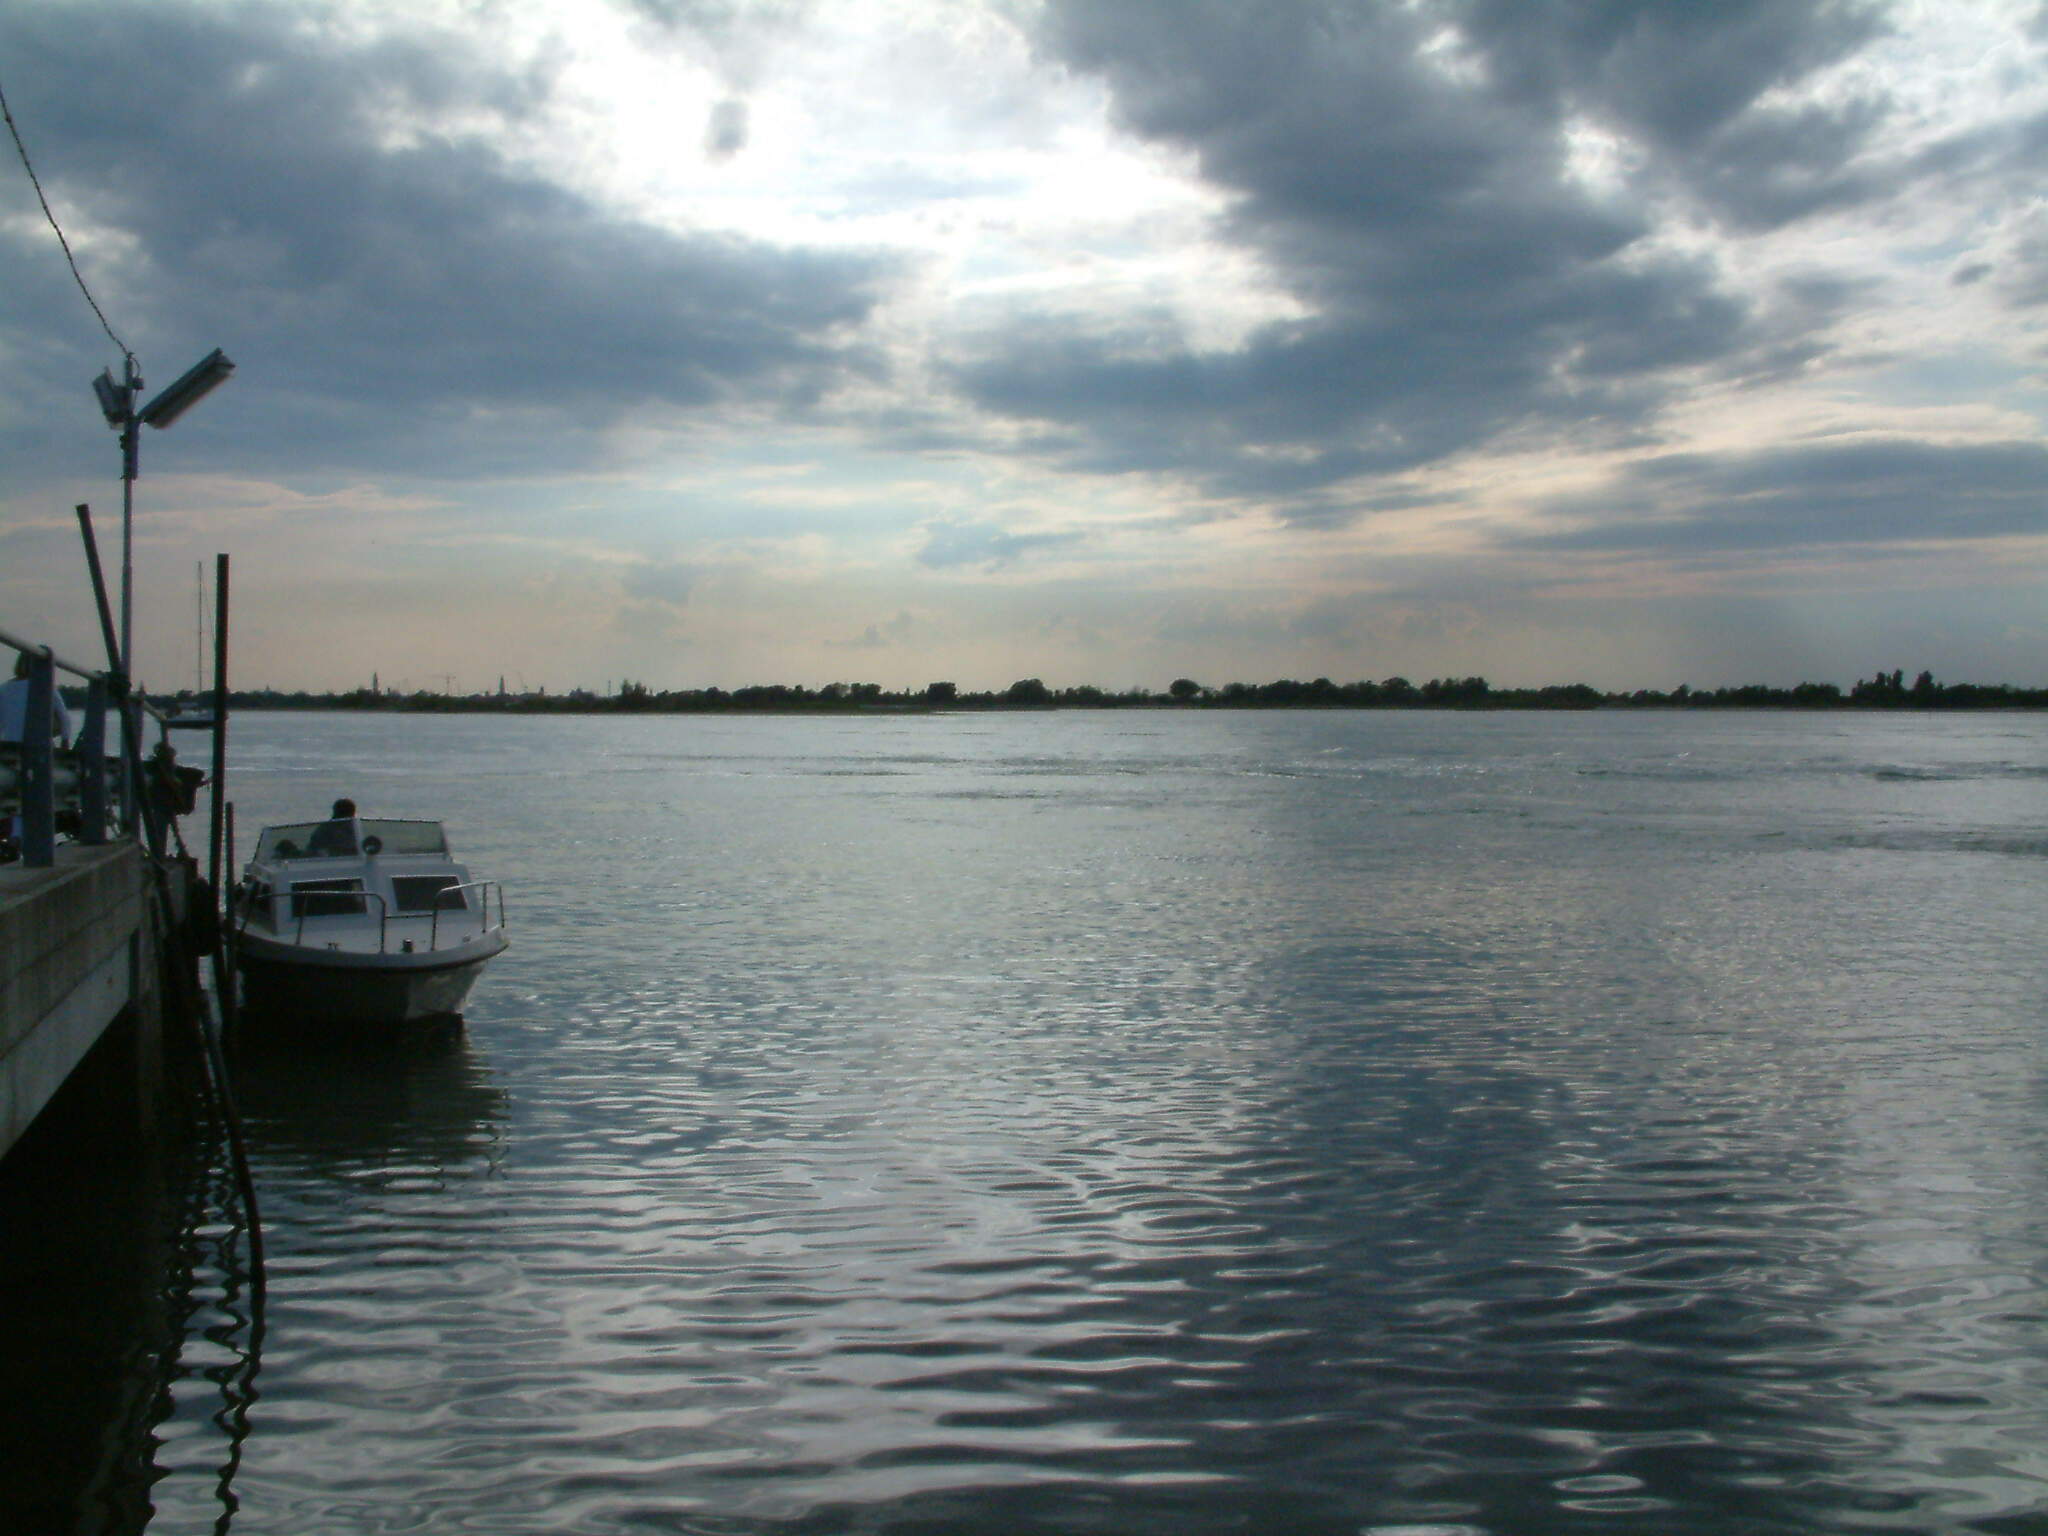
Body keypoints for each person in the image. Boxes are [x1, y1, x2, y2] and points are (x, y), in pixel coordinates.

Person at [1, 652, 73, 854]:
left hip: (10, 746)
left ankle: (16, 835)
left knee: (15, 791)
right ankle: (37, 839)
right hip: (37, 745)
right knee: (38, 791)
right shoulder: (44, 686)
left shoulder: (5, 688)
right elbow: (63, 716)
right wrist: (66, 740)